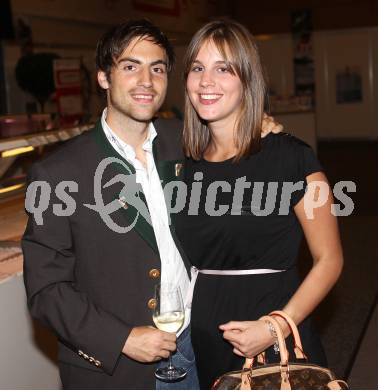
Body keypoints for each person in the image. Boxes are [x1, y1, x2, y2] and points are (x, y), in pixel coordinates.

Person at [22, 20, 282, 390]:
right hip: (120, 369)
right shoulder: (57, 174)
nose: (146, 80)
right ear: (103, 78)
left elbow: (243, 147)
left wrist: (261, 127)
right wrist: (121, 338)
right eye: (130, 66)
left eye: (157, 68)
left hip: (202, 345)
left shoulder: (190, 143)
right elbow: (46, 290)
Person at [174, 20, 344, 389]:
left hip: (273, 330)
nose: (206, 81)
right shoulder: (186, 164)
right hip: (205, 334)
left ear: (247, 79)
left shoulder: (292, 158)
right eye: (198, 68)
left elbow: (330, 259)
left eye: (223, 68)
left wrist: (276, 325)